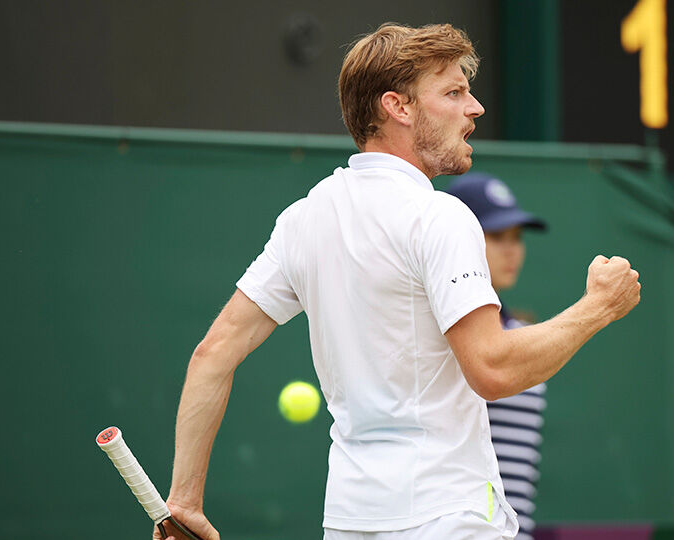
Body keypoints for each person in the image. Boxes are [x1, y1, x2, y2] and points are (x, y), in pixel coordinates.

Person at [155, 22, 640, 540]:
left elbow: (213, 354)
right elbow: (493, 371)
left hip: (350, 524)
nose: (474, 108)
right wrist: (598, 307)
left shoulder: (304, 218)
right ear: (398, 107)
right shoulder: (441, 217)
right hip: (449, 521)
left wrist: (183, 500)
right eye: (453, 92)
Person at [446, 173, 548, 540]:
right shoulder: (439, 334)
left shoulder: (519, 330)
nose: (512, 250)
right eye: (496, 236)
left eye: (517, 238)